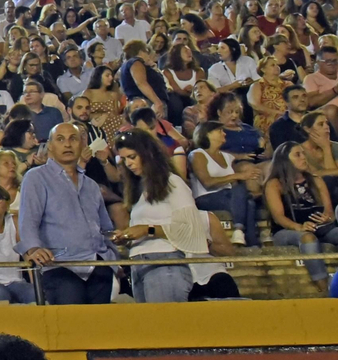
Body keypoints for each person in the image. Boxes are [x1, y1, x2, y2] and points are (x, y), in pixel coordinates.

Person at [16, 123, 118, 305]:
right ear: (50, 146)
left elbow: (105, 228)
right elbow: (28, 221)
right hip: (59, 265)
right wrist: (34, 248)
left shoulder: (91, 185)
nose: (68, 144)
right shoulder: (36, 178)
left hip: (99, 265)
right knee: (70, 326)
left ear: (82, 144)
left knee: (100, 328)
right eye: (60, 139)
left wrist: (114, 259)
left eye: (73, 139)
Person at [112, 130, 199, 303]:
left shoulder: (172, 182)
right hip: (139, 265)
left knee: (165, 327)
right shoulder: (139, 191)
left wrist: (147, 230)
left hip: (164, 264)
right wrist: (128, 237)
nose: (128, 163)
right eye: (124, 159)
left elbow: (191, 229)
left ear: (148, 153)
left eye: (132, 156)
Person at [264, 142, 338, 286]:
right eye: (298, 155)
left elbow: (329, 210)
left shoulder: (316, 179)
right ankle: (324, 287)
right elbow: (278, 217)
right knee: (308, 238)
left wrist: (326, 217)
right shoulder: (275, 184)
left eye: (303, 153)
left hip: (321, 227)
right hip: (287, 230)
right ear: (285, 160)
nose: (304, 158)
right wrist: (299, 227)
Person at [188, 122, 259, 246]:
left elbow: (236, 187)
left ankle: (241, 235)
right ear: (207, 134)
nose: (224, 133)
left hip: (229, 195)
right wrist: (238, 176)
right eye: (220, 131)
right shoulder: (198, 154)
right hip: (206, 197)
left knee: (249, 201)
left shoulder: (228, 157)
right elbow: (207, 183)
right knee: (246, 201)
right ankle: (250, 240)